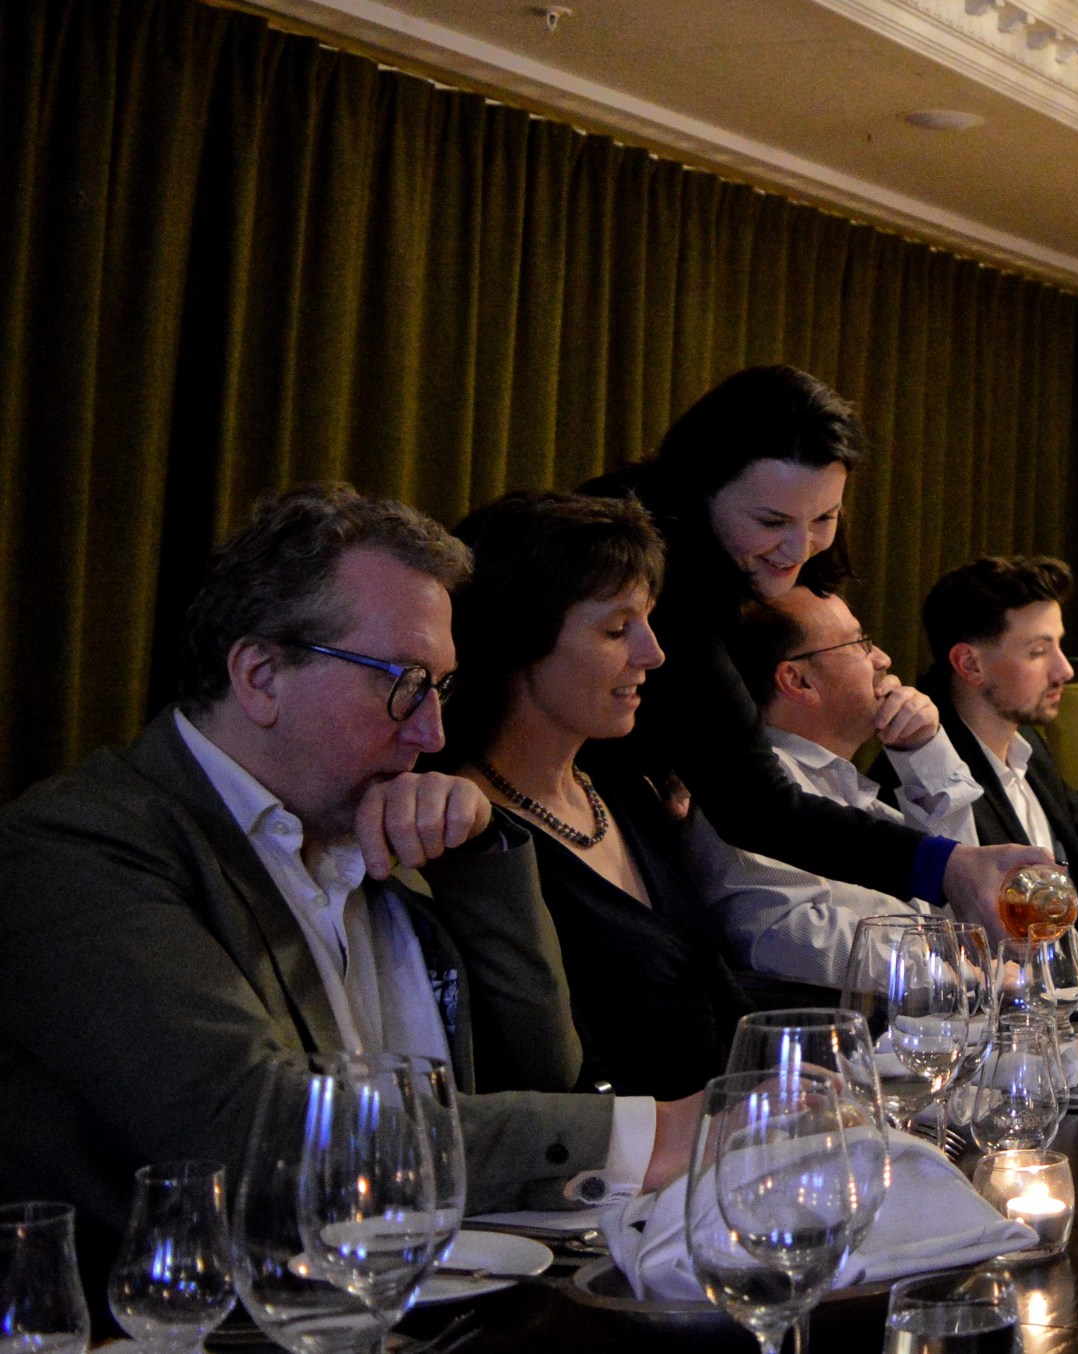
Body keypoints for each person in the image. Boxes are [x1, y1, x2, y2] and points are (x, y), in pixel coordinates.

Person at [0, 486, 693, 1277]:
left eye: (440, 688)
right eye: (403, 681)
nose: (431, 731)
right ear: (261, 675)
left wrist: (481, 859)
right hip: (208, 1318)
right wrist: (650, 1136)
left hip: (445, 1299)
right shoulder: (75, 847)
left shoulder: (384, 827)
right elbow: (253, 1135)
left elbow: (540, 1076)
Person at [585, 366, 1041, 927]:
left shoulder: (734, 551)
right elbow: (753, 806)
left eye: (825, 517)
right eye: (771, 520)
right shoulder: (663, 571)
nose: (799, 548)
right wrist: (944, 867)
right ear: (700, 487)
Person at [441, 492, 747, 1101]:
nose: (653, 653)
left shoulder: (624, 791)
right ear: (518, 637)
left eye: (649, 620)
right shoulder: (468, 834)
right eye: (616, 629)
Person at [687, 585, 989, 989]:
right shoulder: (747, 794)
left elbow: (962, 904)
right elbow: (782, 937)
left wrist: (924, 754)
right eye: (860, 643)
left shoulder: (842, 782)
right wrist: (955, 977)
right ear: (798, 681)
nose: (883, 658)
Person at [921, 556, 1078, 959]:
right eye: (1038, 652)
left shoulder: (1025, 744)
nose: (1064, 670)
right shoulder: (924, 778)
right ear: (970, 664)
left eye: (1058, 645)